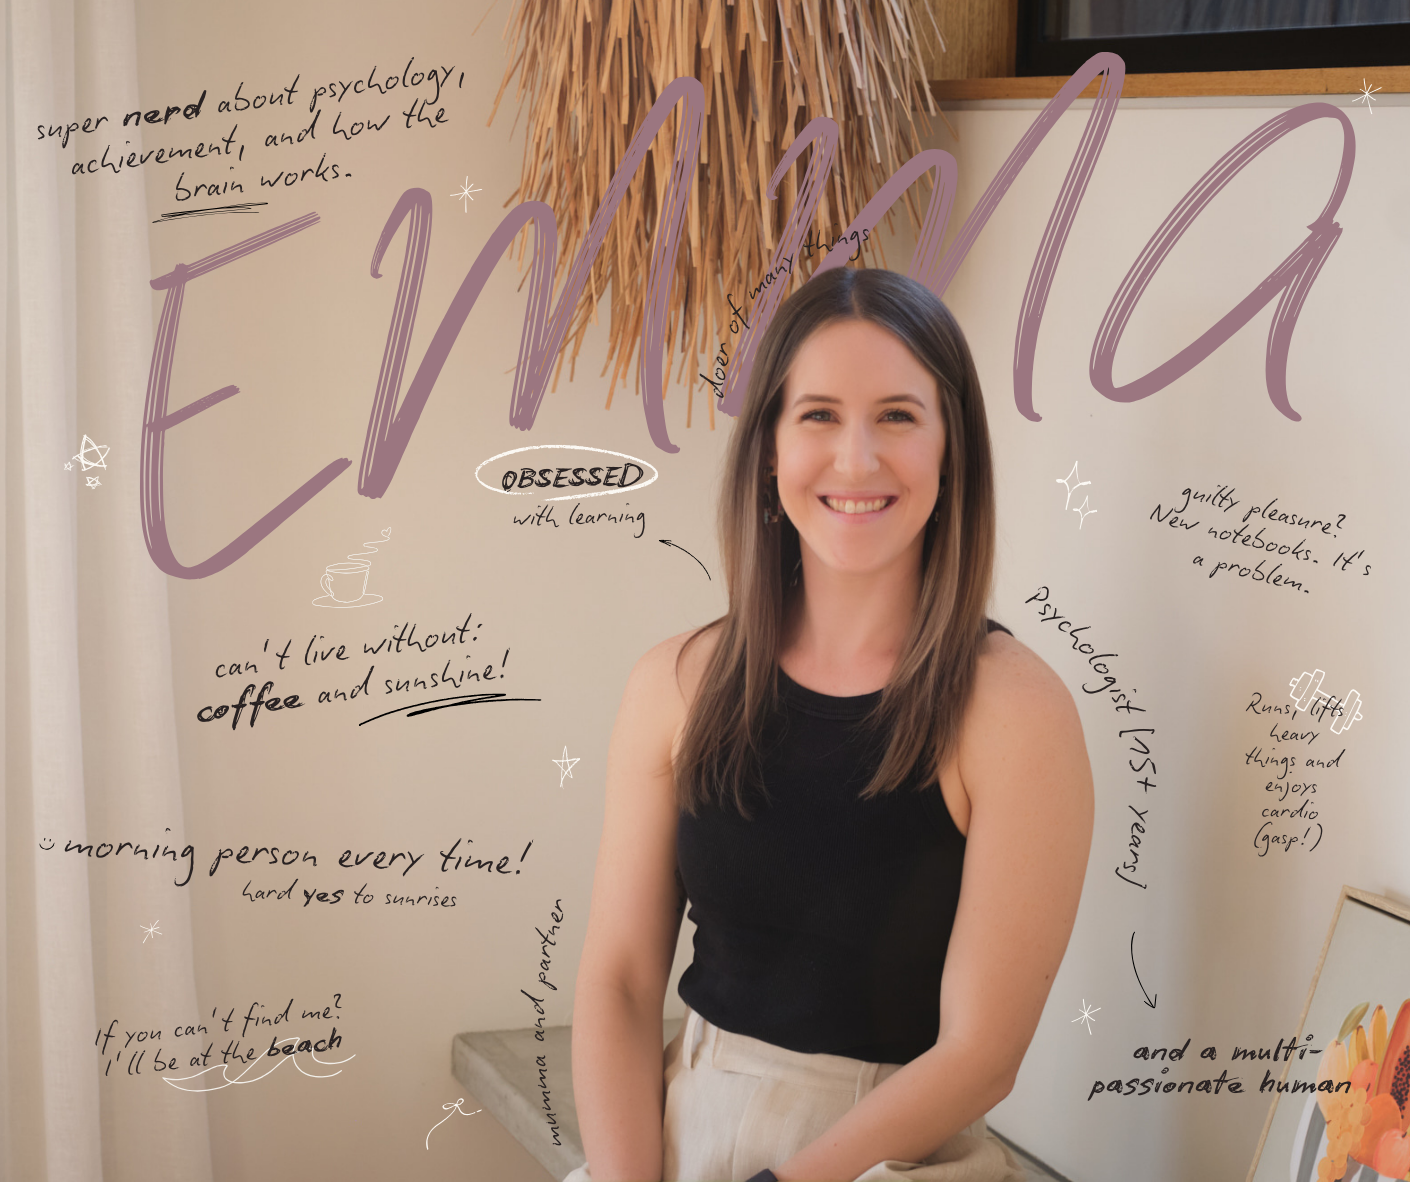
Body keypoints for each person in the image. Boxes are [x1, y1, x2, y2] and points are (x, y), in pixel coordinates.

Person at [567, 266, 1094, 1182]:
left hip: (887, 1156)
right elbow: (616, 980)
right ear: (769, 448)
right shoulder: (675, 684)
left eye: (897, 416)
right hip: (676, 1129)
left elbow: (980, 1055)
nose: (857, 460)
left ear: (951, 451)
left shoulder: (1014, 710)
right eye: (817, 415)